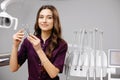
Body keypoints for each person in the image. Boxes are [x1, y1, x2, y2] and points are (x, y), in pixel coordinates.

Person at [9, 5, 68, 80]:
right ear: (37, 20)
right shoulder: (28, 41)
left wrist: (39, 50)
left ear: (55, 21)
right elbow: (13, 68)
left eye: (49, 17)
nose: (44, 20)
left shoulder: (62, 44)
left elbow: (53, 74)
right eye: (41, 17)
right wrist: (15, 46)